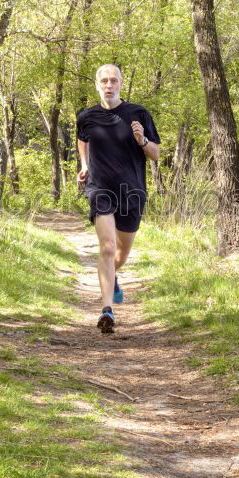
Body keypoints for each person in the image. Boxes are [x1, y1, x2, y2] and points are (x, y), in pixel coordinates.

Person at [76, 64, 161, 334]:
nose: (109, 85)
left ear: (121, 84)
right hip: (100, 189)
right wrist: (85, 164)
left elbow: (156, 154)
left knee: (122, 253)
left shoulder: (138, 113)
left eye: (113, 80)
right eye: (104, 80)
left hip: (132, 191)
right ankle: (106, 310)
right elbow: (82, 140)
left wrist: (142, 139)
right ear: (97, 84)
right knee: (108, 247)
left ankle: (112, 278)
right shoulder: (87, 116)